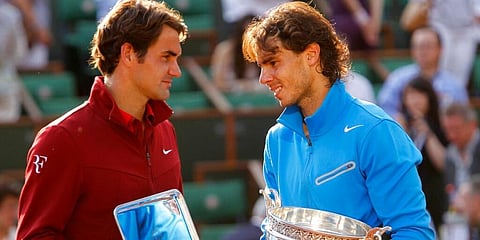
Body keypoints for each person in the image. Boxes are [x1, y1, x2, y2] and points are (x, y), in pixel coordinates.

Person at [242, 1, 435, 239]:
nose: (263, 78)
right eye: (261, 66)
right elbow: (274, 231)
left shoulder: (375, 131)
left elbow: (414, 232)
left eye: (273, 62)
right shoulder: (276, 141)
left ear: (311, 55)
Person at [16, 0, 188, 239]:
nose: (176, 70)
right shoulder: (61, 139)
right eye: (166, 57)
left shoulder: (166, 131)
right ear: (128, 54)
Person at [378, 27, 469, 119]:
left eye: (427, 46)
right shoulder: (398, 78)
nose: (422, 51)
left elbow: (462, 117)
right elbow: (384, 108)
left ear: (440, 49)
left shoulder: (453, 85)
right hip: (403, 131)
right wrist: (397, 118)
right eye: (417, 46)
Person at [398, 76, 449, 233]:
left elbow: (443, 164)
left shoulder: (440, 126)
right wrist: (402, 132)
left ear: (429, 97)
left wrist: (427, 133)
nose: (414, 100)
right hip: (408, 195)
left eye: (419, 94)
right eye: (410, 95)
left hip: (434, 195)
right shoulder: (398, 125)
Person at [429, 0, 480, 89]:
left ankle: (456, 98)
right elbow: (419, 4)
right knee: (441, 69)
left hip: (467, 30)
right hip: (440, 28)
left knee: (460, 76)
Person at [211, 14, 263, 93]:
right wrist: (240, 86)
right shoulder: (225, 50)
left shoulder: (264, 50)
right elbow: (218, 83)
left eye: (254, 35)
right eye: (245, 34)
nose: (249, 40)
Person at [0, 0, 28, 123]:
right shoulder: (10, 14)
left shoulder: (10, 14)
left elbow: (20, 53)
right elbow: (19, 53)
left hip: (6, 85)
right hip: (6, 81)